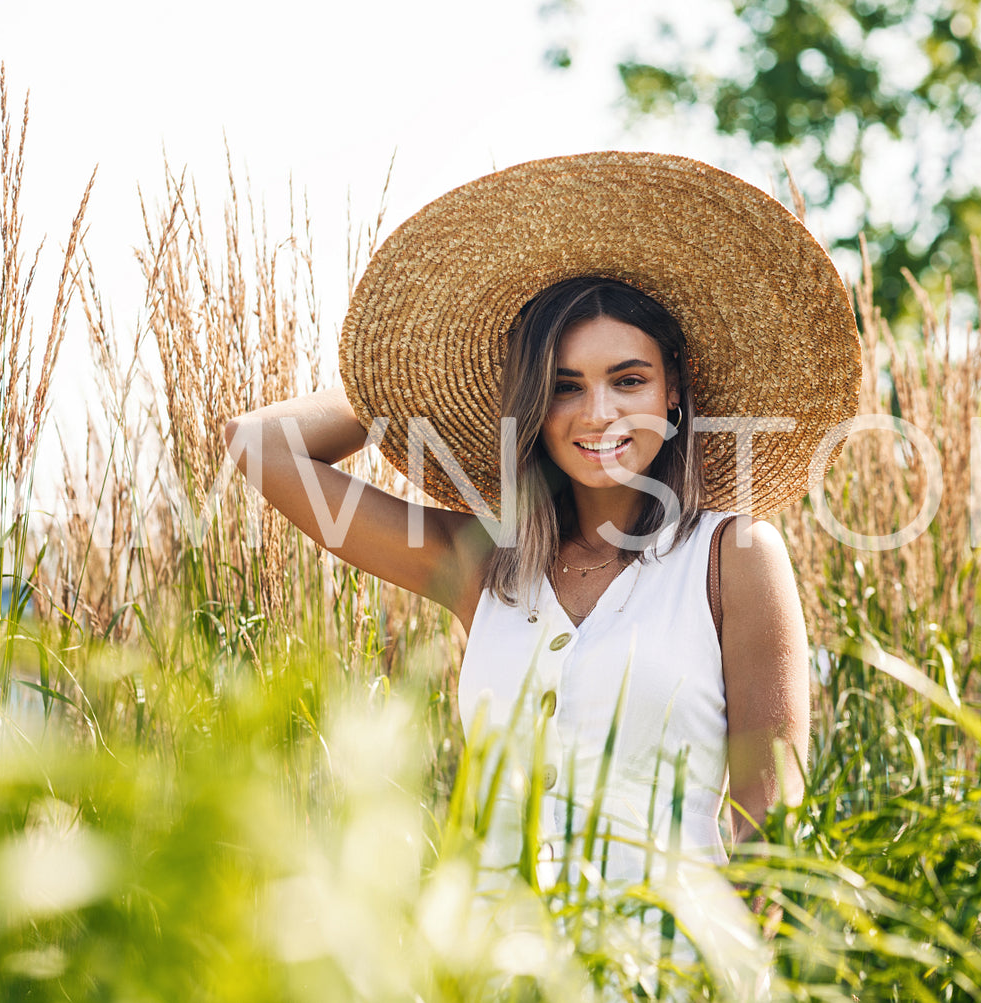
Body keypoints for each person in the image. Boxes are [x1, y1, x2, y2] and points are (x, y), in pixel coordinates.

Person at [224, 151, 861, 893]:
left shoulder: (732, 556)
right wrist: (393, 380)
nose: (597, 414)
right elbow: (261, 446)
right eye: (563, 387)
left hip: (669, 970)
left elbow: (772, 831)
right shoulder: (482, 560)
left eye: (628, 379)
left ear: (674, 388)